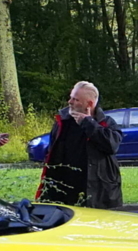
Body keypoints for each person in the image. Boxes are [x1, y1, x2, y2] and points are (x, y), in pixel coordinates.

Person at [36, 81, 123, 209]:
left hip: (98, 191)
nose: (70, 102)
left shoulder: (106, 123)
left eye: (75, 99)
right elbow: (52, 152)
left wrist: (88, 123)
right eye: (71, 97)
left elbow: (111, 145)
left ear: (89, 104)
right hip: (65, 190)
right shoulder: (63, 122)